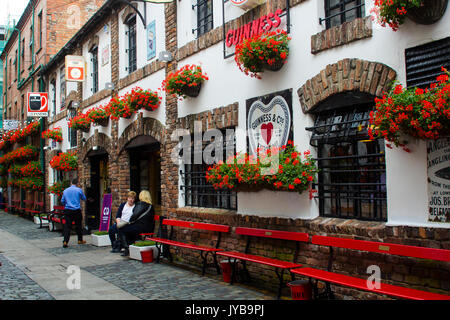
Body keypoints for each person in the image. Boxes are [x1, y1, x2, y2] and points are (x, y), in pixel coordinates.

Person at [118, 190, 155, 257]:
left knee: (122, 229)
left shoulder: (140, 204)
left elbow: (134, 216)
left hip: (140, 227)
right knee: (129, 230)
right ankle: (130, 247)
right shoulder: (151, 206)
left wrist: (130, 221)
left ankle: (127, 248)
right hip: (149, 228)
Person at [61, 178, 87, 248]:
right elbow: (84, 198)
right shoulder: (79, 190)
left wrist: (66, 204)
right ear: (77, 183)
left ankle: (65, 241)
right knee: (78, 225)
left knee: (67, 226)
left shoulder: (65, 191)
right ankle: (80, 240)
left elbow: (62, 201)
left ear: (71, 183)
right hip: (76, 210)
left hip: (68, 210)